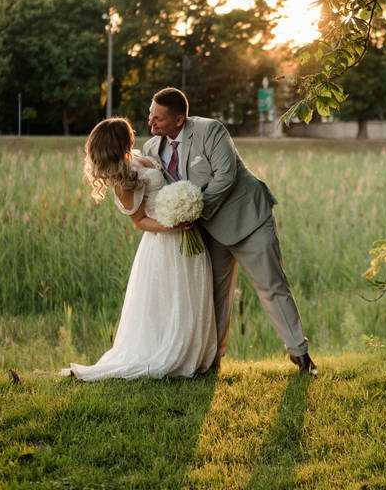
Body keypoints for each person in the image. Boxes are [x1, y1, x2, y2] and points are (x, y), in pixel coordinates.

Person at [143, 87, 317, 375]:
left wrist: (193, 210)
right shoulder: (152, 148)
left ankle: (300, 355)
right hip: (209, 232)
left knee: (271, 286)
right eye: (150, 116)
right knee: (212, 295)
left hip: (249, 219)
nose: (151, 124)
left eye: (158, 119)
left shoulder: (210, 130)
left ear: (179, 119)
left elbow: (226, 175)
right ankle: (212, 361)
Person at [61, 117, 217, 380]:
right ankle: (169, 354)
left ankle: (197, 354)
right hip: (164, 242)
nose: (134, 133)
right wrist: (175, 226)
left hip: (185, 233)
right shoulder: (122, 179)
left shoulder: (135, 156)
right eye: (128, 132)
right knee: (171, 301)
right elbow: (140, 221)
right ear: (122, 141)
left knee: (190, 295)